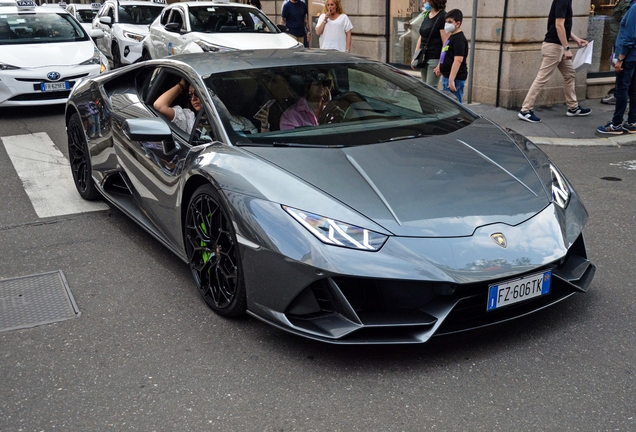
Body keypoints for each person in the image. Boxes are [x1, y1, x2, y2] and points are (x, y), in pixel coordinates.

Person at [518, 0, 591, 123]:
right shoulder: (562, 0)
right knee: (542, 78)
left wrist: (577, 39)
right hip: (554, 47)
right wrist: (566, 48)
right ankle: (525, 110)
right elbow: (559, 25)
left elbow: (564, 26)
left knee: (569, 74)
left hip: (558, 46)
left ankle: (573, 107)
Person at [596, 0, 636, 134]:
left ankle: (616, 124)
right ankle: (632, 122)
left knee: (622, 89)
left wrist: (620, 58)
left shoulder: (634, 8)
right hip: (634, 56)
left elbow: (629, 36)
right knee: (633, 89)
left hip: (629, 57)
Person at [601, 0, 633, 104]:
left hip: (623, 44)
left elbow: (628, 27)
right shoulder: (624, 2)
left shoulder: (629, 4)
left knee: (623, 78)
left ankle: (620, 102)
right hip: (620, 41)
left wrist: (621, 56)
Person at [434, 9, 468, 104]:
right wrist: (440, 66)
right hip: (447, 76)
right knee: (448, 104)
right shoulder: (451, 36)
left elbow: (458, 60)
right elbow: (445, 53)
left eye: (450, 22)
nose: (446, 24)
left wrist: (451, 80)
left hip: (455, 78)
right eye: (446, 22)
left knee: (455, 105)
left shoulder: (459, 39)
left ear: (458, 24)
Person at [412, 0, 447, 87]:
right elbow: (421, 37)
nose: (423, 1)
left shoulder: (442, 16)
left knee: (431, 89)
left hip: (434, 59)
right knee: (425, 89)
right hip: (423, 57)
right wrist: (415, 57)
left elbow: (445, 42)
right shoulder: (427, 14)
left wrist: (441, 63)